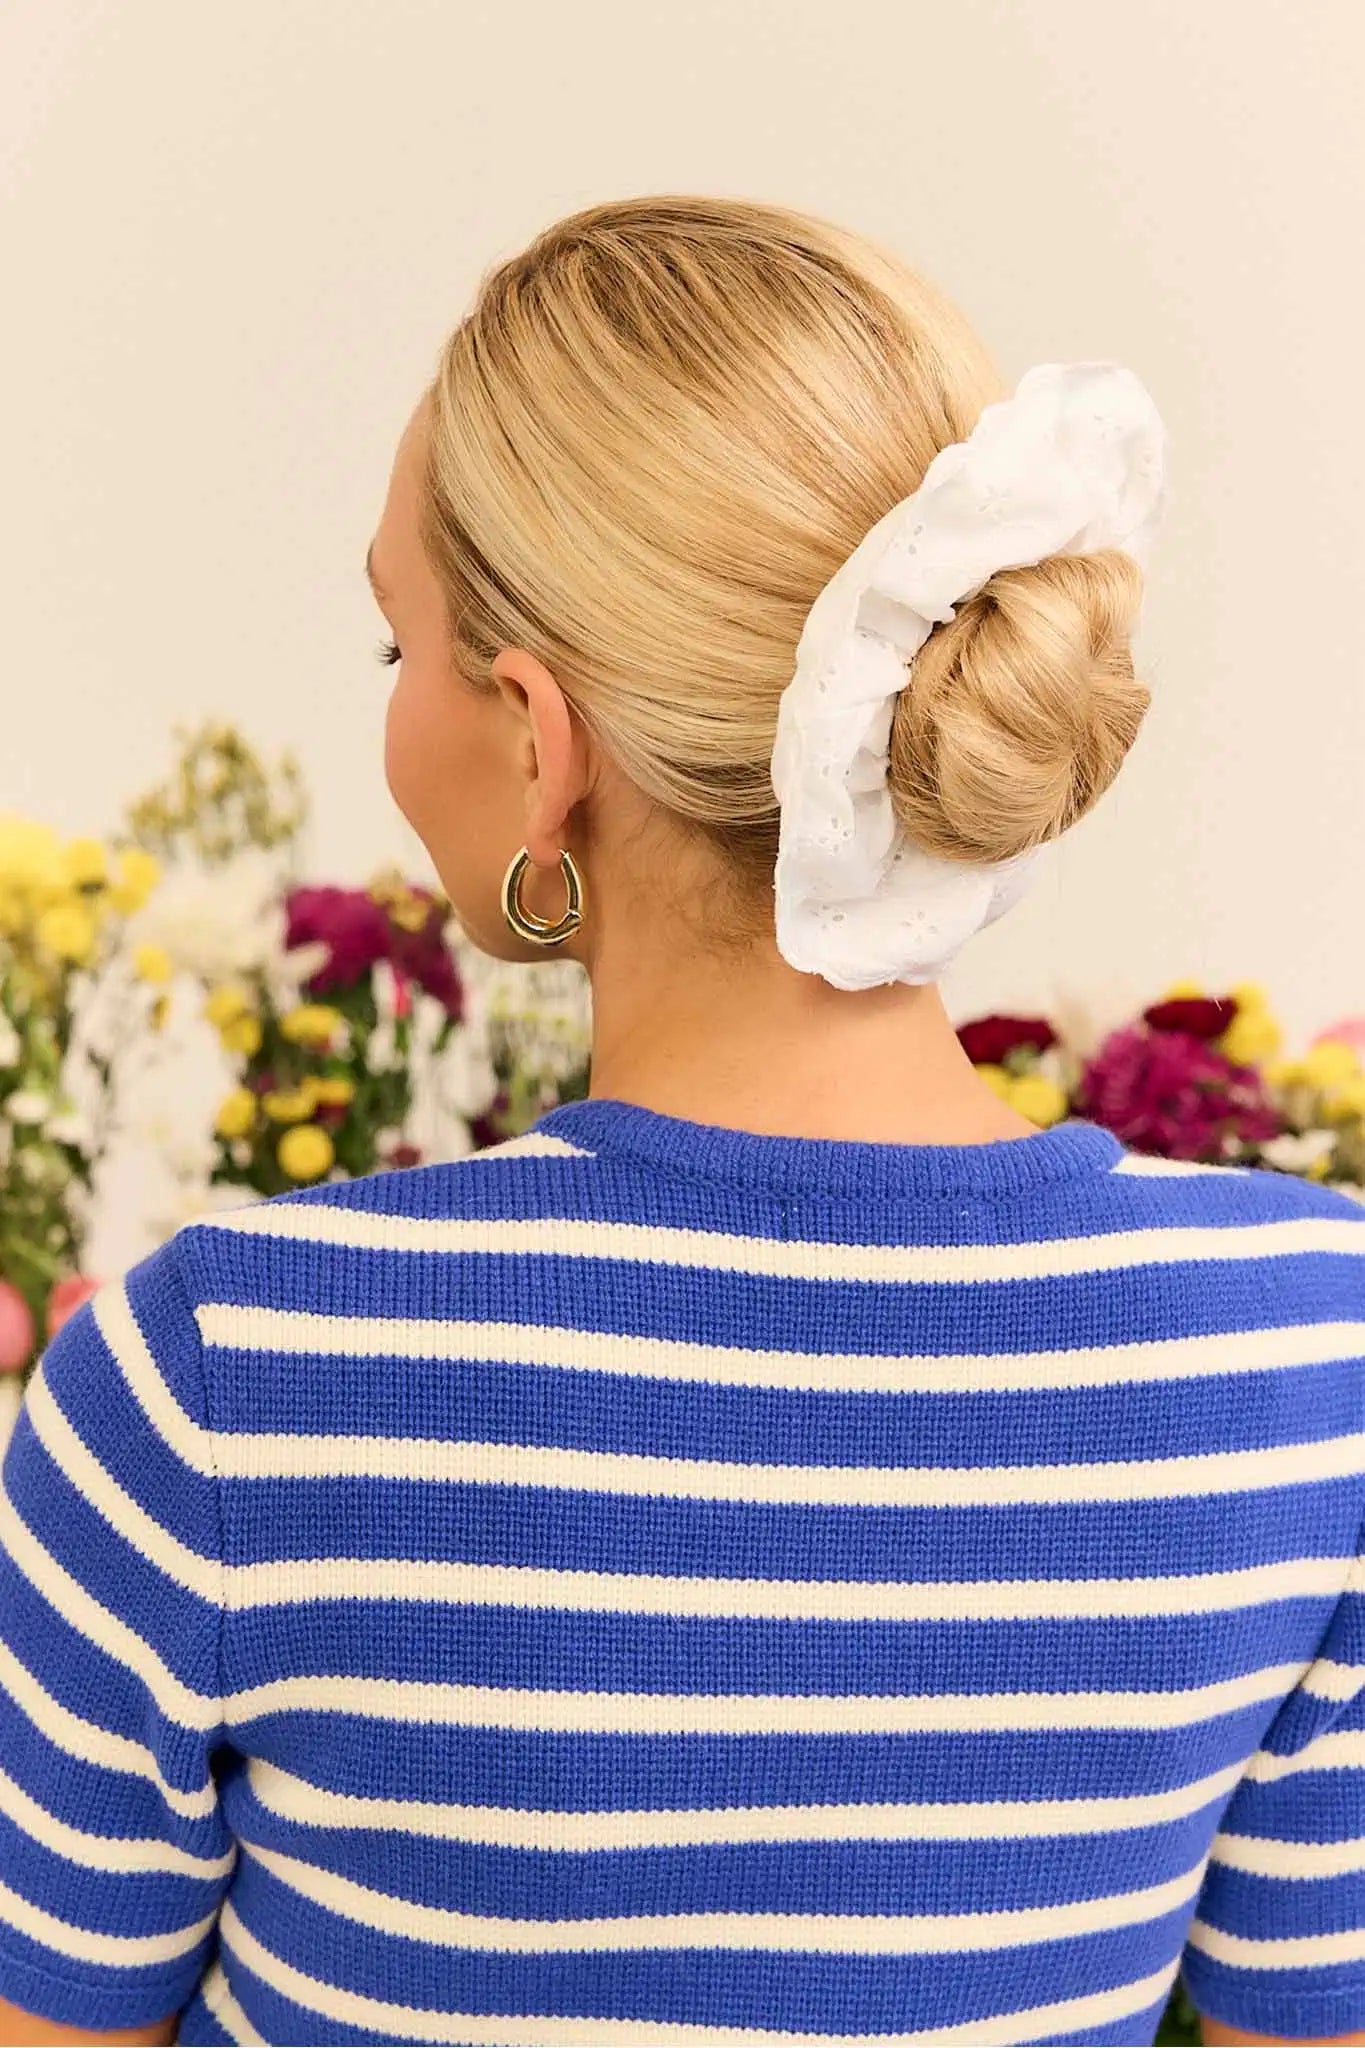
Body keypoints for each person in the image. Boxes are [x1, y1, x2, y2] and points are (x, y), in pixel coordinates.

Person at [1, 195, 1362, 2048]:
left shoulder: (222, 1380)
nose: (392, 718)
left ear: (538, 741)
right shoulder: (1310, 1352)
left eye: (389, 648)